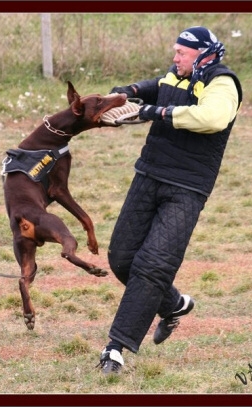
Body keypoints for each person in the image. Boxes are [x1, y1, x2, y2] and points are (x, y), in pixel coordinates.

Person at [97, 26, 243, 374]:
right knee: (121, 258)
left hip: (187, 189)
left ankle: (115, 348)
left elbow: (211, 118)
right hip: (148, 175)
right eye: (175, 51)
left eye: (181, 53)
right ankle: (174, 304)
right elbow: (159, 86)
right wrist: (128, 92)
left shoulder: (222, 84)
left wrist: (155, 113)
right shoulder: (179, 74)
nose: (175, 57)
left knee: (152, 265)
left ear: (202, 56)